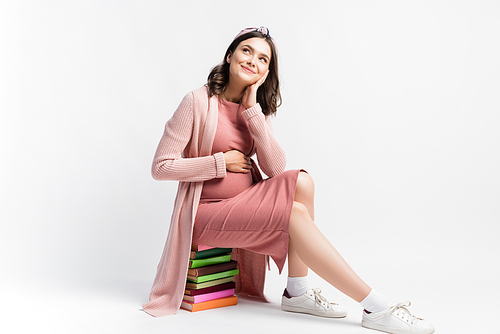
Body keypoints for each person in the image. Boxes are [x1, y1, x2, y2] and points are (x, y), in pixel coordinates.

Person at [143, 27, 435, 334]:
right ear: (230, 56)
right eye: (246, 51)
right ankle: (376, 306)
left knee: (302, 182)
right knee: (294, 213)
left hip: (243, 202)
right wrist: (220, 163)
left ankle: (297, 290)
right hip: (204, 213)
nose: (252, 60)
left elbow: (276, 169)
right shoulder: (196, 102)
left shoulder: (254, 109)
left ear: (266, 71)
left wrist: (253, 111)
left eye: (262, 58)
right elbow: (161, 167)